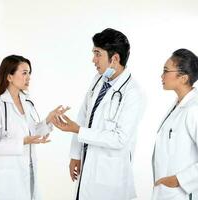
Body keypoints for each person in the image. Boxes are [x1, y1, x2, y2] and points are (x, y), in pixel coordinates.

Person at [52, 28, 146, 200]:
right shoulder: (99, 79)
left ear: (115, 58)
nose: (93, 60)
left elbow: (120, 138)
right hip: (87, 165)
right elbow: (84, 115)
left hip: (110, 178)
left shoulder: (133, 93)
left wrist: (78, 131)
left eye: (97, 54)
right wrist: (75, 154)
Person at [0, 55, 67, 200]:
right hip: (7, 177)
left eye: (29, 73)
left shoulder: (27, 102)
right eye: (24, 73)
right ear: (9, 77)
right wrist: (22, 142)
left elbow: (31, 133)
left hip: (28, 170)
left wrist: (48, 119)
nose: (29, 77)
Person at [152, 49, 198, 200]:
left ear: (183, 78)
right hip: (166, 193)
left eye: (166, 71)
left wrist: (178, 180)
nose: (161, 76)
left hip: (182, 194)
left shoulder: (194, 111)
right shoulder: (178, 107)